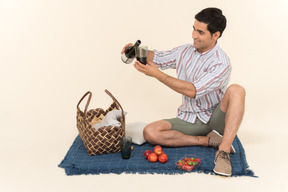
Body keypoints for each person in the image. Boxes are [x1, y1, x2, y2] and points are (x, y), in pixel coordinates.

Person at [121, 7, 245, 177]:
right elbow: (158, 57)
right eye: (194, 29)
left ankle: (223, 150)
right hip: (189, 118)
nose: (194, 35)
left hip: (215, 119)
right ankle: (208, 141)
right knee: (150, 132)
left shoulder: (221, 63)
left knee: (237, 90)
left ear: (216, 35)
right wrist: (136, 51)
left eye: (200, 32)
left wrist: (158, 75)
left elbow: (193, 90)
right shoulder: (185, 51)